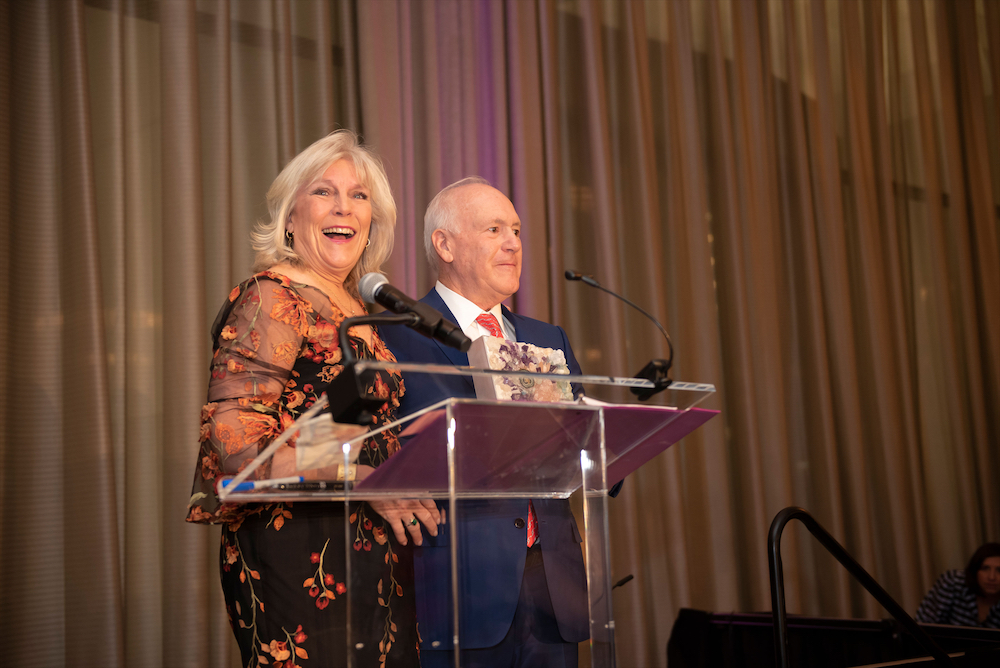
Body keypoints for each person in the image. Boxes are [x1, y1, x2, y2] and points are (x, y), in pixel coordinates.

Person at [186, 130, 440, 667]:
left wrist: (402, 446)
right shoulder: (273, 297)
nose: (344, 206)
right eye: (324, 191)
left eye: (359, 195)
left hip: (376, 558)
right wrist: (365, 477)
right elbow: (239, 455)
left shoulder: (359, 312)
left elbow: (324, 435)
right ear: (290, 216)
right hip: (300, 559)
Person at [379, 177, 619, 668]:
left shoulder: (546, 336)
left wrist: (608, 442)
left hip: (554, 586)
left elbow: (579, 451)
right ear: (444, 244)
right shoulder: (394, 337)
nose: (513, 243)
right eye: (493, 229)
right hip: (457, 586)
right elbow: (378, 454)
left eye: (516, 230)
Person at [916, 542, 1000, 628]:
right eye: (985, 568)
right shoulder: (953, 582)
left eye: (999, 570)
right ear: (975, 570)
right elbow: (923, 623)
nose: (992, 577)